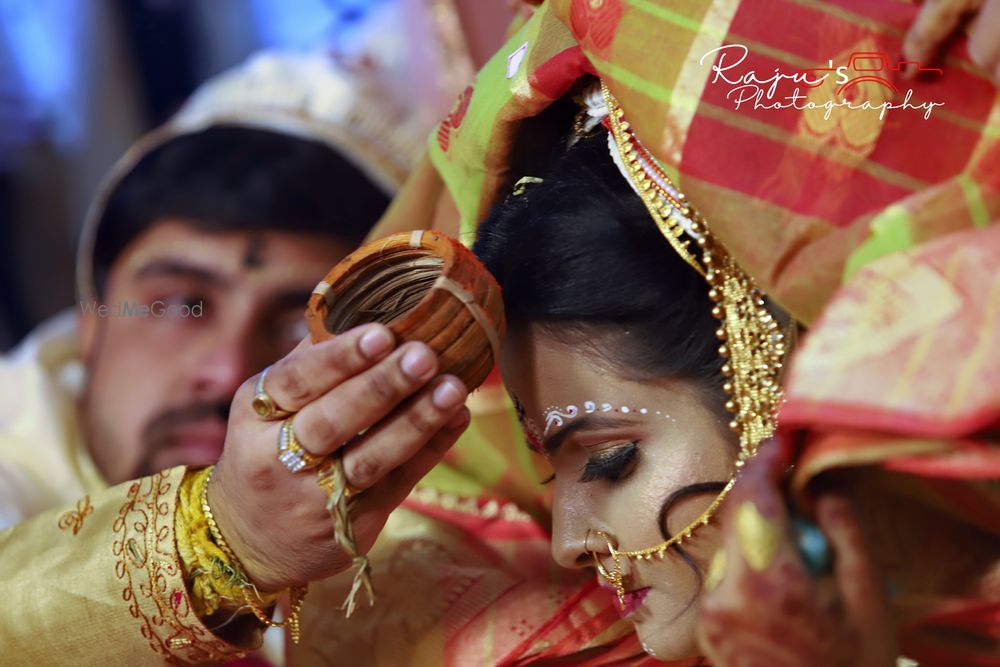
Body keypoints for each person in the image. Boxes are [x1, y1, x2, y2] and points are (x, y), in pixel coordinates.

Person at [0, 49, 476, 663]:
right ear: (91, 321)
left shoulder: (462, 518)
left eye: (298, 323)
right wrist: (224, 544)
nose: (228, 372)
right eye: (180, 305)